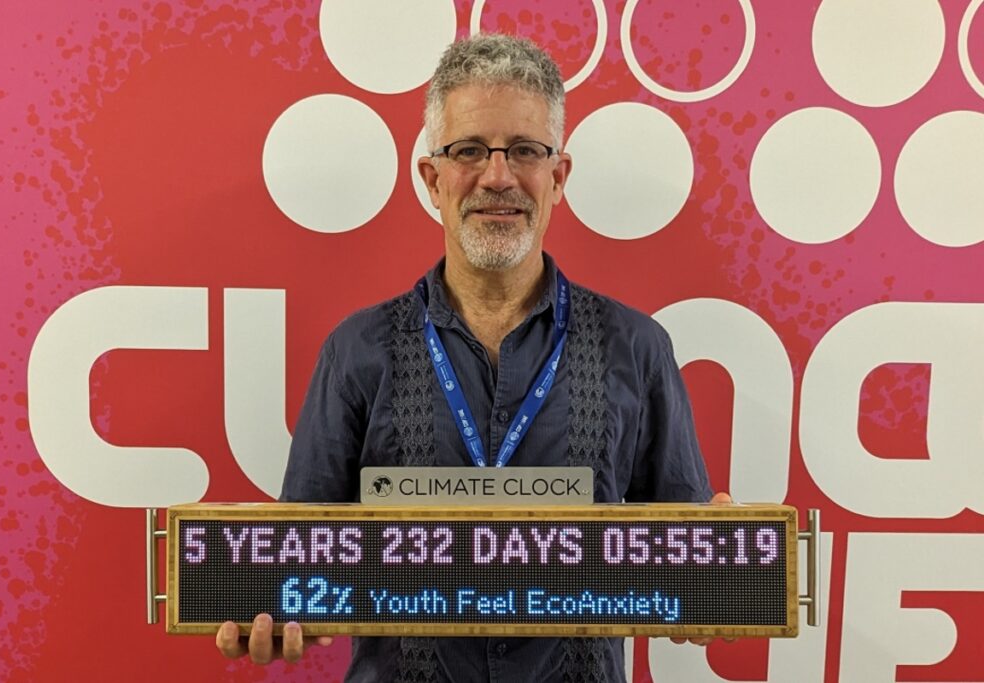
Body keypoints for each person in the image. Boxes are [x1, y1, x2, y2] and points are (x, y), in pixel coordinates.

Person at [217, 33, 727, 681]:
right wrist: (270, 601)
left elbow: (686, 564)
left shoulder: (638, 348)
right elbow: (304, 567)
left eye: (524, 151)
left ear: (558, 176)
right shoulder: (357, 351)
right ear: (433, 178)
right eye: (468, 151)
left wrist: (716, 570)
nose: (497, 176)